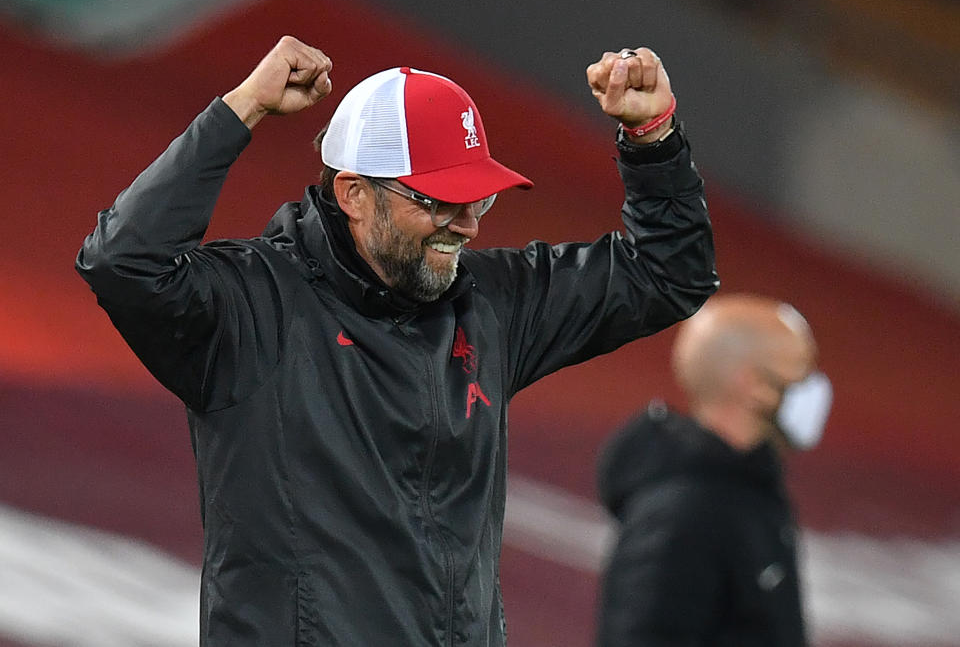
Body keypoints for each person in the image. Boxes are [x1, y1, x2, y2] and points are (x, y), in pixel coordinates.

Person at [76, 35, 717, 645]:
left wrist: (651, 137)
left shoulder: (492, 302)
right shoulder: (250, 306)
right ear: (355, 194)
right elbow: (123, 263)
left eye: (479, 200)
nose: (466, 225)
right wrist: (241, 108)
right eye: (440, 201)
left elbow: (668, 273)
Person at [595, 294, 833, 647]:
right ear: (753, 385)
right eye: (801, 369)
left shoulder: (752, 491)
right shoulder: (680, 516)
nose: (814, 388)